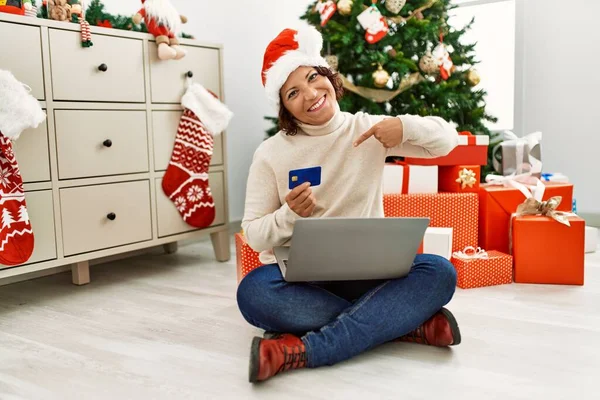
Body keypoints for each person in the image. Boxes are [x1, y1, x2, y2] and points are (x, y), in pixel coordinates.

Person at [237, 26, 461, 384]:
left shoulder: (368, 129)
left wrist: (403, 127)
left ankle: (304, 350)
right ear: (284, 107)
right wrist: (289, 216)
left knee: (440, 272)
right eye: (294, 92)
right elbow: (254, 235)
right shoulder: (271, 153)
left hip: (370, 275)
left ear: (328, 76)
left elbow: (447, 143)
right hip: (304, 282)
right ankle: (401, 324)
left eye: (313, 78)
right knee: (253, 293)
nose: (311, 94)